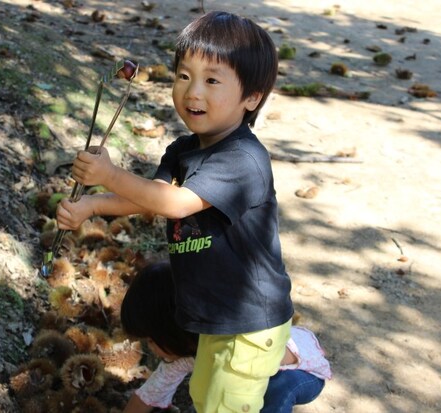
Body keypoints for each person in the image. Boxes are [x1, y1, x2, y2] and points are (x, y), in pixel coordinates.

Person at [57, 11, 293, 412]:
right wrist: (92, 205)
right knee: (205, 396)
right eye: (184, 76)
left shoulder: (243, 159)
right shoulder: (184, 149)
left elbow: (177, 203)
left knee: (222, 405)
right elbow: (152, 197)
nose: (192, 92)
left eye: (212, 80)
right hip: (214, 316)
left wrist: (109, 175)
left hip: (249, 322)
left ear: (252, 98)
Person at [120, 262, 331, 413]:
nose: (150, 348)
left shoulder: (235, 341)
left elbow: (272, 360)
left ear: (171, 330)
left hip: (299, 370)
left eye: (151, 340)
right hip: (250, 375)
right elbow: (149, 394)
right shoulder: (183, 355)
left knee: (275, 389)